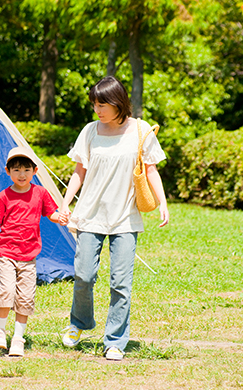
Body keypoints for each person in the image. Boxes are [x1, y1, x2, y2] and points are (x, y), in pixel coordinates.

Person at [59, 76, 169, 361]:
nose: (97, 109)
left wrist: (163, 204)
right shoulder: (90, 131)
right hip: (90, 215)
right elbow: (79, 171)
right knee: (84, 275)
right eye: (94, 104)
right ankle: (79, 323)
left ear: (118, 102)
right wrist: (65, 203)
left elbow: (152, 169)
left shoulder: (141, 130)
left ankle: (115, 340)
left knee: (121, 282)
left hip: (125, 218)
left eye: (102, 103)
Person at [0, 146, 62, 357]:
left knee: (26, 297)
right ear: (8, 171)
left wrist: (61, 218)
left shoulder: (41, 193)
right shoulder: (4, 196)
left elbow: (51, 213)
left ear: (35, 171)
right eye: (16, 170)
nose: (21, 174)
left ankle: (18, 338)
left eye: (26, 170)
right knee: (7, 291)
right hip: (7, 252)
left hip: (29, 255)